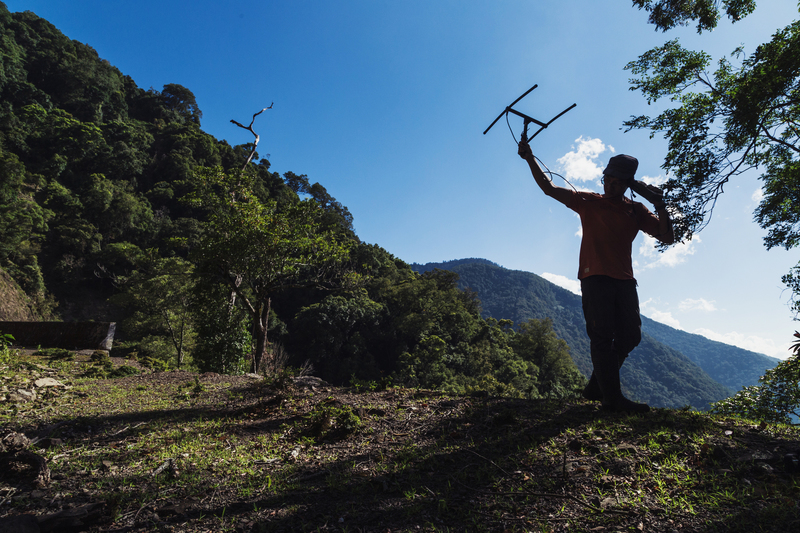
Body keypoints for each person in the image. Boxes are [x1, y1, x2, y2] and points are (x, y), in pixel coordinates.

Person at [518, 139, 675, 413]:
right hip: (595, 278)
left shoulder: (636, 210)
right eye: (608, 180)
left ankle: (595, 388)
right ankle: (612, 400)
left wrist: (659, 204)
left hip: (625, 280)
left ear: (628, 184)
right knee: (602, 337)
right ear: (603, 178)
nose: (611, 185)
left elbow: (667, 236)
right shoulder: (589, 202)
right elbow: (549, 188)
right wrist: (530, 158)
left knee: (630, 336)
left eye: (618, 182)